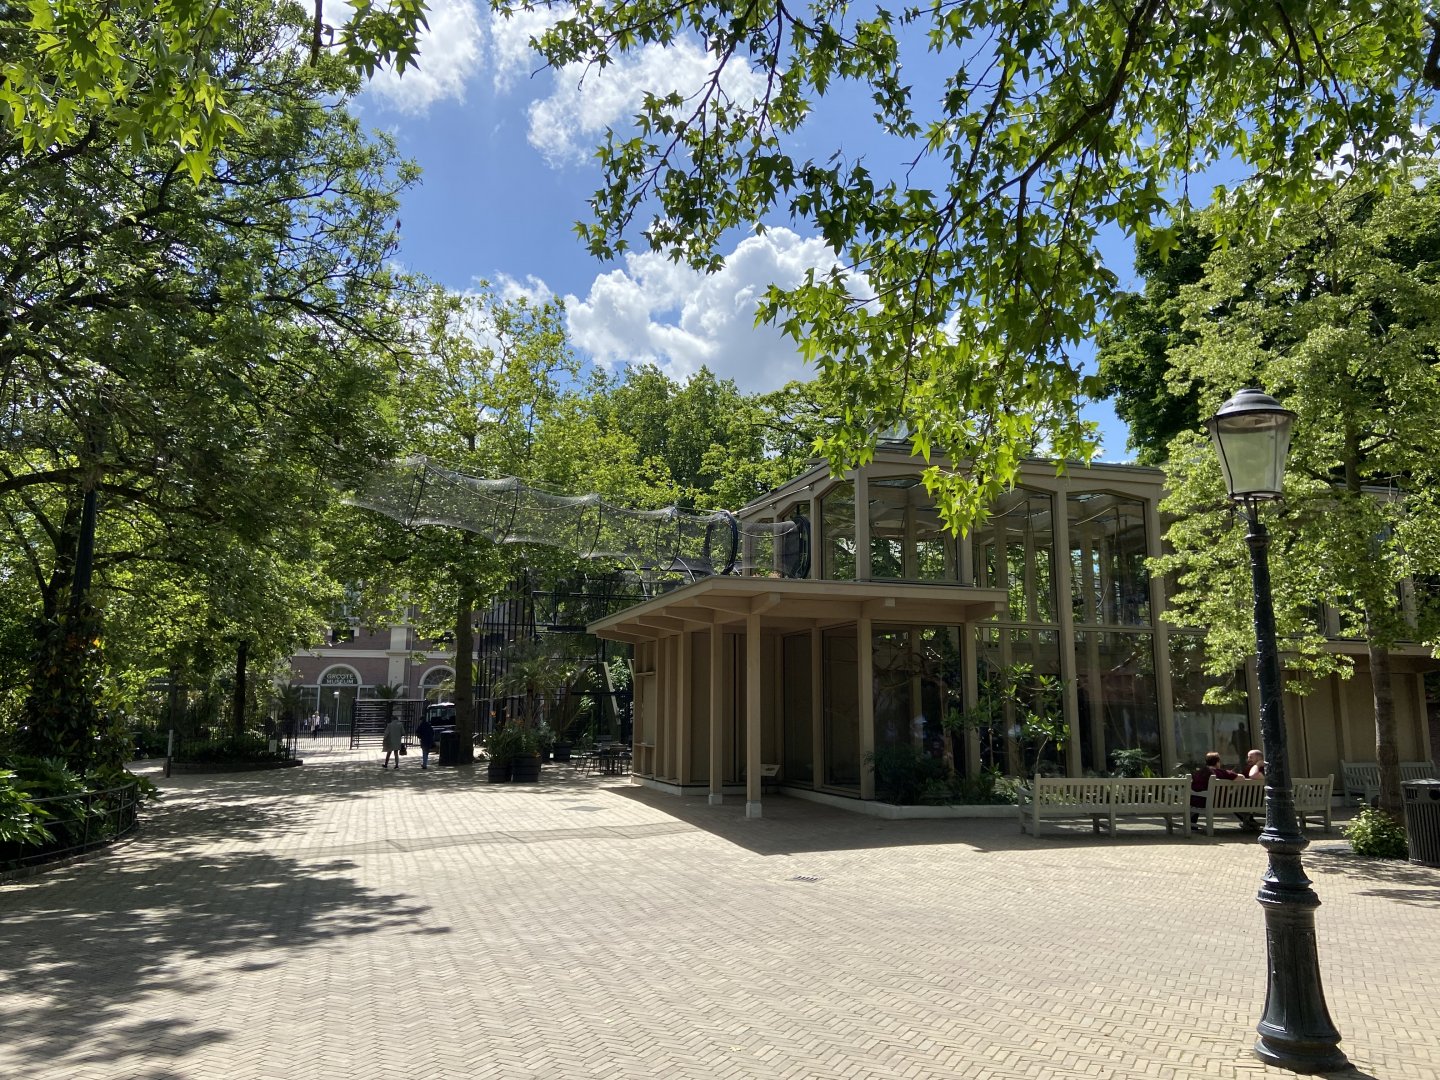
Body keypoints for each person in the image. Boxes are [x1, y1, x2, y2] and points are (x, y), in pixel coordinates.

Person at [1190, 751, 1244, 828]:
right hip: (1221, 802)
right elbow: (1241, 778)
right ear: (1217, 762)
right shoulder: (1222, 772)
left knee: (1195, 798)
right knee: (1233, 800)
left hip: (1200, 802)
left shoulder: (1199, 773)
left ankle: (1192, 824)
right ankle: (1246, 820)